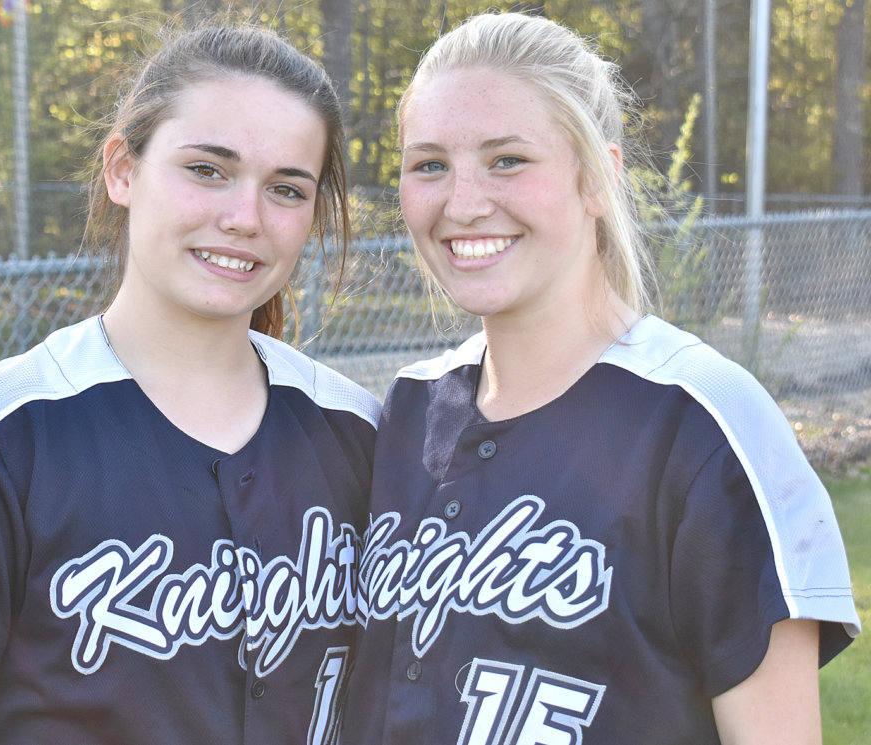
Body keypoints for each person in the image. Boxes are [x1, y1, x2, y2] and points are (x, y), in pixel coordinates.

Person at [340, 12, 860, 745]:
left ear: (598, 176)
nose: (463, 203)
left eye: (507, 160)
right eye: (429, 165)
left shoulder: (703, 423)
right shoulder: (407, 411)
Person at [0, 21, 379, 745]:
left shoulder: (360, 432)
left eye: (286, 189)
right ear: (122, 170)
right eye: (208, 170)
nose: (245, 218)